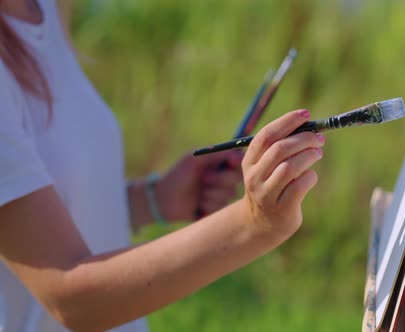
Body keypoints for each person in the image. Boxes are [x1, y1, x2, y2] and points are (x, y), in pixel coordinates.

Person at [0, 0, 325, 331]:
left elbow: (35, 217)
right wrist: (253, 223)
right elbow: (70, 298)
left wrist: (152, 199)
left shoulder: (43, 10)